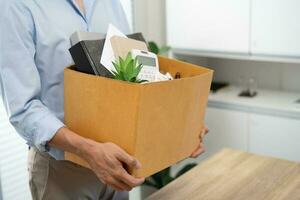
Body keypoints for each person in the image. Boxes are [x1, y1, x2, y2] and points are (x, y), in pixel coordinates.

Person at [0, 0, 208, 199]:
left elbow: (136, 78)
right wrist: (88, 150)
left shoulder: (110, 2)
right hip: (62, 171)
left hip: (118, 161)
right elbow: (24, 109)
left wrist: (181, 124)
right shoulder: (16, 5)